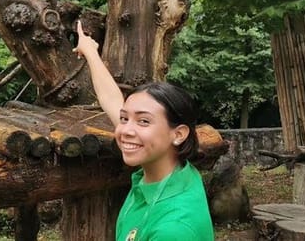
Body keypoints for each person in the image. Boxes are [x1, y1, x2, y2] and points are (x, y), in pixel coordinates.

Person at [74, 21, 214, 241]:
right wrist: (90, 51)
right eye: (124, 119)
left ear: (178, 134)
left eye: (144, 121)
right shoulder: (171, 173)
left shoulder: (173, 229)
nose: (125, 130)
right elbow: (112, 99)